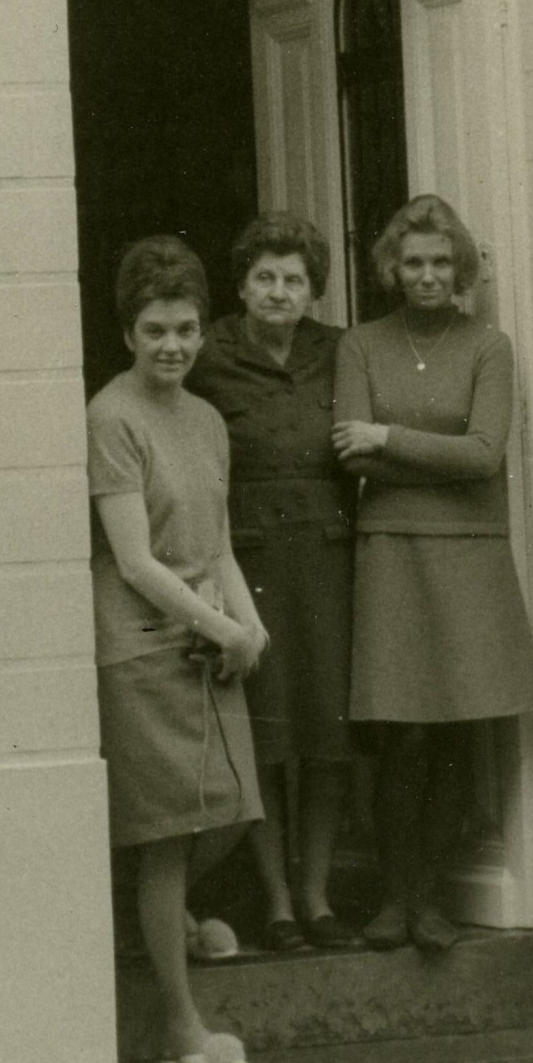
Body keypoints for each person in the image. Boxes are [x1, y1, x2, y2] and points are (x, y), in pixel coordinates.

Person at [331, 196, 533, 953]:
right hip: (391, 550)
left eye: (441, 263)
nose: (427, 275)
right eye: (414, 262)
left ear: (461, 270)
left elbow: (485, 454)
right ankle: (394, 897)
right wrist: (419, 452)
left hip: (470, 553)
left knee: (458, 731)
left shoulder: (490, 346)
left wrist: (389, 435)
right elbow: (346, 452)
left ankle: (432, 900)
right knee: (402, 733)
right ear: (393, 267)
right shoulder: (360, 344)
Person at [88, 235, 270, 1063]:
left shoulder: (205, 419)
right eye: (156, 329)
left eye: (188, 328)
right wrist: (215, 625)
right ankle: (180, 1024)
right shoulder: (112, 417)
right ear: (129, 332)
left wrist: (246, 622)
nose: (173, 345)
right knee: (170, 833)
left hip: (210, 635)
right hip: (147, 644)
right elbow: (135, 560)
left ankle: (173, 926)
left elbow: (219, 540)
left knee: (229, 811)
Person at [187, 214, 362, 953]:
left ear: (313, 289)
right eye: (265, 277)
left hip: (327, 556)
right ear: (242, 284)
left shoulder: (340, 351)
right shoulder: (211, 354)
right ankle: (279, 903)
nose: (278, 291)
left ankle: (319, 897)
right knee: (264, 735)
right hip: (247, 559)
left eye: (293, 280)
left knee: (326, 733)